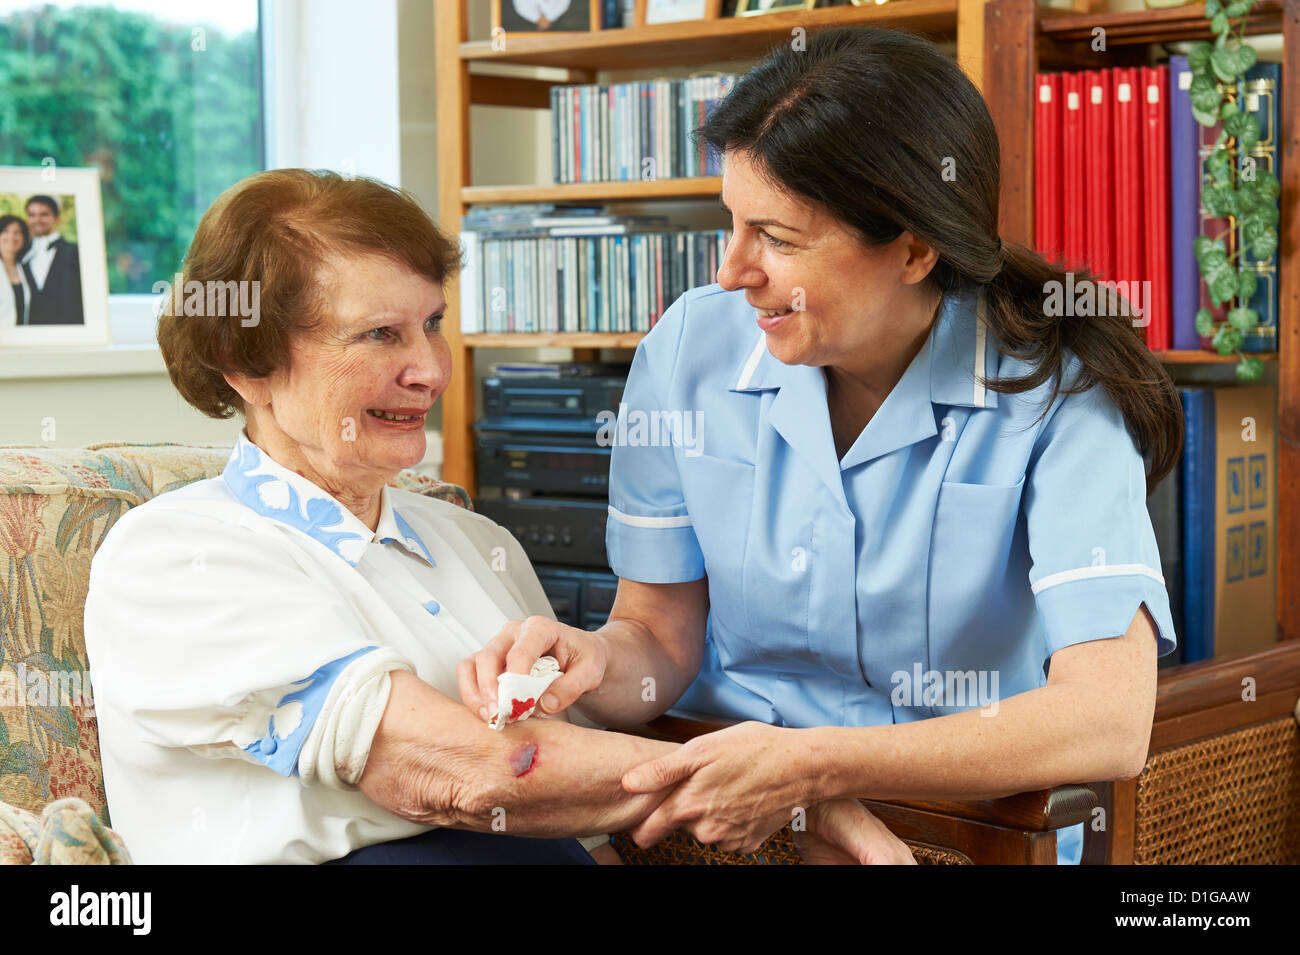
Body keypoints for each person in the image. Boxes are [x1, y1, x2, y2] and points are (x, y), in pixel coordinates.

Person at [460, 27, 1183, 864]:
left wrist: (810, 769)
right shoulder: (689, 349)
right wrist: (589, 659)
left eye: (778, 237)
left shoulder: (1056, 390)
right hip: (720, 828)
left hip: (965, 830)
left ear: (914, 247)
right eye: (732, 224)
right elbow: (659, 638)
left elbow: (1108, 718)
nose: (733, 271)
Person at [83, 168, 909, 865]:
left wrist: (782, 782)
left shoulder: (477, 543)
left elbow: (582, 759)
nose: (429, 370)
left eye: (431, 324)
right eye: (379, 334)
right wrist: (799, 790)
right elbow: (456, 770)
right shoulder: (175, 554)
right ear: (245, 362)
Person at [21, 194, 83, 325]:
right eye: (32, 215)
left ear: (57, 217)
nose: (37, 219)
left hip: (68, 331)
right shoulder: (20, 254)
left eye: (43, 214)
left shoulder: (76, 251)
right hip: (31, 335)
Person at [0, 214, 32, 328]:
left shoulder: (27, 269)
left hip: (22, 338)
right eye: (5, 231)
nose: (12, 236)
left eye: (17, 232)